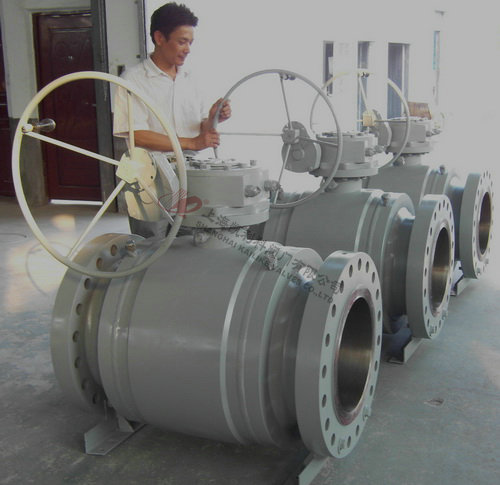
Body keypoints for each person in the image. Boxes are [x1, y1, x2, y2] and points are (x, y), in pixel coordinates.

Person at [113, 2, 231, 237]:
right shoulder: (133, 80)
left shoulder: (191, 79)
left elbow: (200, 128)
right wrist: (191, 143)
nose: (187, 49)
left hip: (189, 173)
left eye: (190, 43)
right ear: (159, 37)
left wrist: (214, 117)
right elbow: (137, 135)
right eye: (182, 41)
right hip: (149, 178)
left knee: (191, 242)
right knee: (151, 246)